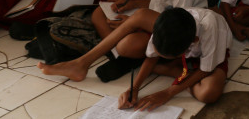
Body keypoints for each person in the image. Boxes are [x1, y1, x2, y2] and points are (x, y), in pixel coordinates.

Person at [39, 7, 231, 110]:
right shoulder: (165, 27)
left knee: (208, 94)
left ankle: (175, 71)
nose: (157, 55)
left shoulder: (210, 30)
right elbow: (150, 57)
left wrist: (169, 92)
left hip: (210, 52)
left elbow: (205, 69)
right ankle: (81, 64)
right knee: (138, 22)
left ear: (190, 46)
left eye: (165, 57)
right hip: (178, 40)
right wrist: (135, 87)